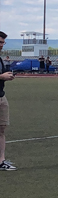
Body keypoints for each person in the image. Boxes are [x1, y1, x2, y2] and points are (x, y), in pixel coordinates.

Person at [0, 32, 15, 171]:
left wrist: (7, 76)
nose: (2, 45)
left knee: (1, 128)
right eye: (0, 42)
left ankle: (1, 161)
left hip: (1, 97)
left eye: (3, 42)